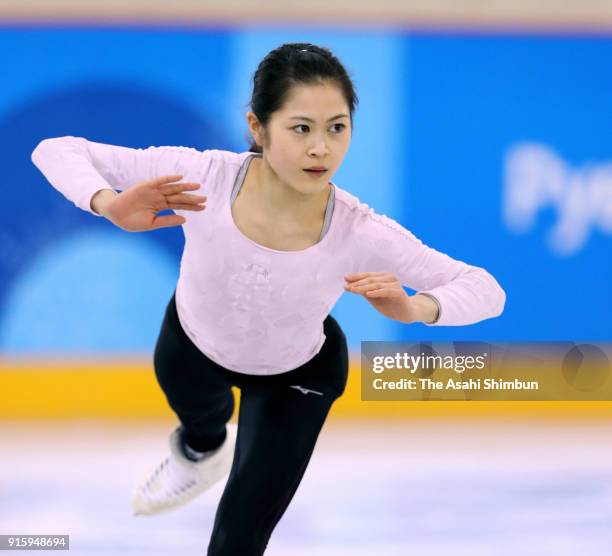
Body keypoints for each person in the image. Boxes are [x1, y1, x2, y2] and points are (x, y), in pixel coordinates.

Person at [31, 42, 506, 555]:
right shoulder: (201, 177)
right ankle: (201, 450)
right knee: (199, 421)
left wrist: (416, 308)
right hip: (191, 347)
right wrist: (108, 204)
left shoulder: (360, 231)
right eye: (301, 128)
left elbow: (486, 290)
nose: (321, 148)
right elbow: (56, 148)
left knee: (239, 537)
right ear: (258, 128)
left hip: (297, 378)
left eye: (337, 127)